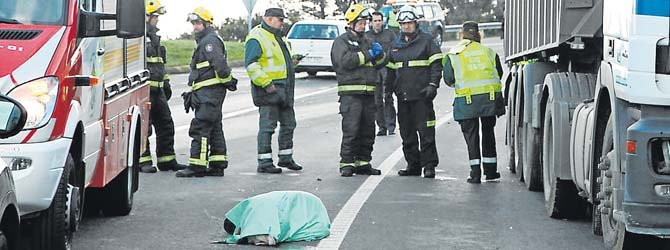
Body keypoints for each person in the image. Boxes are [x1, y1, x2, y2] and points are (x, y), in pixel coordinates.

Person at [176, 7, 237, 177]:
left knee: (201, 127)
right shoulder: (208, 40)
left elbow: (220, 65)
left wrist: (228, 82)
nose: (195, 27)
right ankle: (217, 164)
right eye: (193, 23)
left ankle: (197, 165)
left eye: (198, 23)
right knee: (214, 127)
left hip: (209, 93)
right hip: (209, 92)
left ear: (207, 23)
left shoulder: (209, 42)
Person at [443, 21, 505, 183]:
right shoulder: (489, 52)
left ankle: (475, 173)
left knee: (471, 136)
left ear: (461, 34)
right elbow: (499, 73)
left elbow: (448, 79)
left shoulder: (454, 53)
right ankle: (491, 172)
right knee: (488, 133)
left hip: (467, 100)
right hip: (489, 99)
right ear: (479, 35)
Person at [386, 5, 443, 179]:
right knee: (407, 133)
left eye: (409, 23)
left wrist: (433, 85)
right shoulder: (395, 45)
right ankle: (413, 165)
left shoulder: (427, 41)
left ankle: (429, 166)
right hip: (403, 97)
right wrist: (388, 91)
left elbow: (436, 64)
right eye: (403, 23)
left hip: (422, 96)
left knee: (426, 133)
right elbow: (389, 70)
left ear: (416, 23)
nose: (406, 26)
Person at [245, 8, 304, 174]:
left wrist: (293, 62)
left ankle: (285, 157)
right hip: (268, 91)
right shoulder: (257, 37)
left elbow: (279, 64)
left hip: (284, 89)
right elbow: (251, 65)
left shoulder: (278, 37)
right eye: (280, 19)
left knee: (289, 124)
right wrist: (266, 83)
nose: (282, 22)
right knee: (267, 126)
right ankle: (264, 162)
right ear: (269, 19)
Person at [331, 5, 386, 177]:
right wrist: (369, 54)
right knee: (351, 130)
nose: (363, 26)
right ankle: (347, 163)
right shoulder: (341, 42)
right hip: (351, 95)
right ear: (351, 23)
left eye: (364, 23)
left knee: (368, 130)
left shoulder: (368, 41)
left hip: (369, 94)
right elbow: (346, 62)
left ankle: (363, 162)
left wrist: (381, 54)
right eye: (360, 23)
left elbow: (379, 64)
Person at [139, 0, 186, 173]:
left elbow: (160, 66)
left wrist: (165, 84)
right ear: (146, 16)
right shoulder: (139, 37)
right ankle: (142, 162)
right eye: (155, 16)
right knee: (145, 127)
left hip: (157, 90)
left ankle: (167, 160)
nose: (157, 20)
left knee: (166, 124)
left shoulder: (154, 38)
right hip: (144, 91)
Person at [365, 11, 397, 137]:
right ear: (371, 23)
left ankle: (391, 126)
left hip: (388, 72)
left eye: (379, 20)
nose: (378, 23)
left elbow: (396, 49)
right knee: (377, 101)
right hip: (373, 73)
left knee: (388, 98)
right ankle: (381, 127)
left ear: (382, 21)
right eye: (375, 21)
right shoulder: (366, 36)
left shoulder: (390, 34)